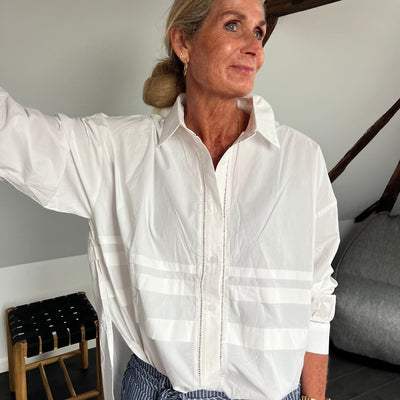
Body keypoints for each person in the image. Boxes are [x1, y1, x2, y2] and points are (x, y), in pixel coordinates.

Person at [0, 0, 339, 399]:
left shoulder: (301, 160)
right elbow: (14, 137)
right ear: (183, 43)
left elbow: (317, 295)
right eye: (233, 25)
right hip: (155, 388)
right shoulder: (118, 152)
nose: (254, 48)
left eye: (259, 31)